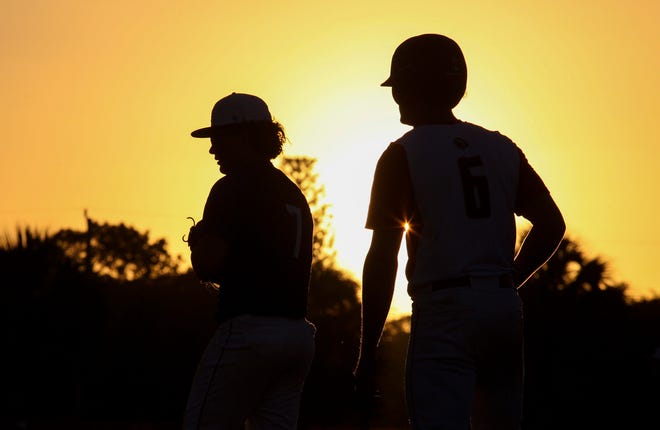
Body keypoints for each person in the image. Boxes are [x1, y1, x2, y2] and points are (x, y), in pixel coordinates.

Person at [353, 34, 566, 430]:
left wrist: (367, 353)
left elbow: (383, 257)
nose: (395, 96)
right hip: (502, 306)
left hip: (445, 309)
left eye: (398, 85)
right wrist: (508, 281)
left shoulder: (402, 153)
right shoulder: (501, 147)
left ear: (412, 87)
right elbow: (552, 224)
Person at [182, 92, 316, 430]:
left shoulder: (232, 186)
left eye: (219, 139)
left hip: (249, 332)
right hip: (297, 334)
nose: (213, 149)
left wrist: (198, 240)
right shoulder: (292, 192)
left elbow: (207, 265)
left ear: (243, 135)